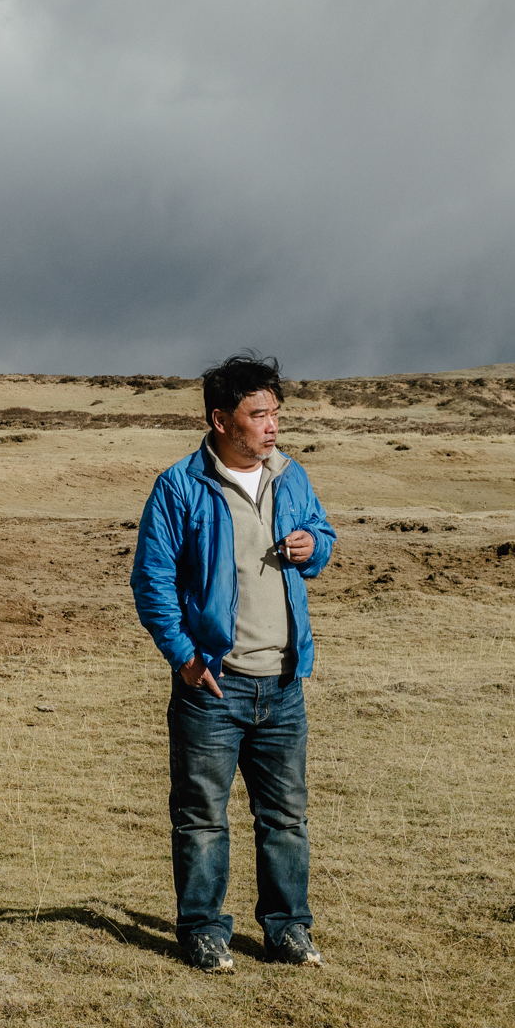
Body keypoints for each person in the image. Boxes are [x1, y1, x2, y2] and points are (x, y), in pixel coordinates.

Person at [130, 351, 336, 972]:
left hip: (283, 683)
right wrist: (186, 658)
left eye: (276, 412)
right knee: (201, 818)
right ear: (221, 420)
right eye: (259, 414)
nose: (272, 425)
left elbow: (322, 537)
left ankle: (287, 930)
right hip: (213, 687)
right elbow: (152, 581)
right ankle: (202, 931)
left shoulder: (290, 476)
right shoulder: (179, 486)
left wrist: (312, 547)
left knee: (285, 817)